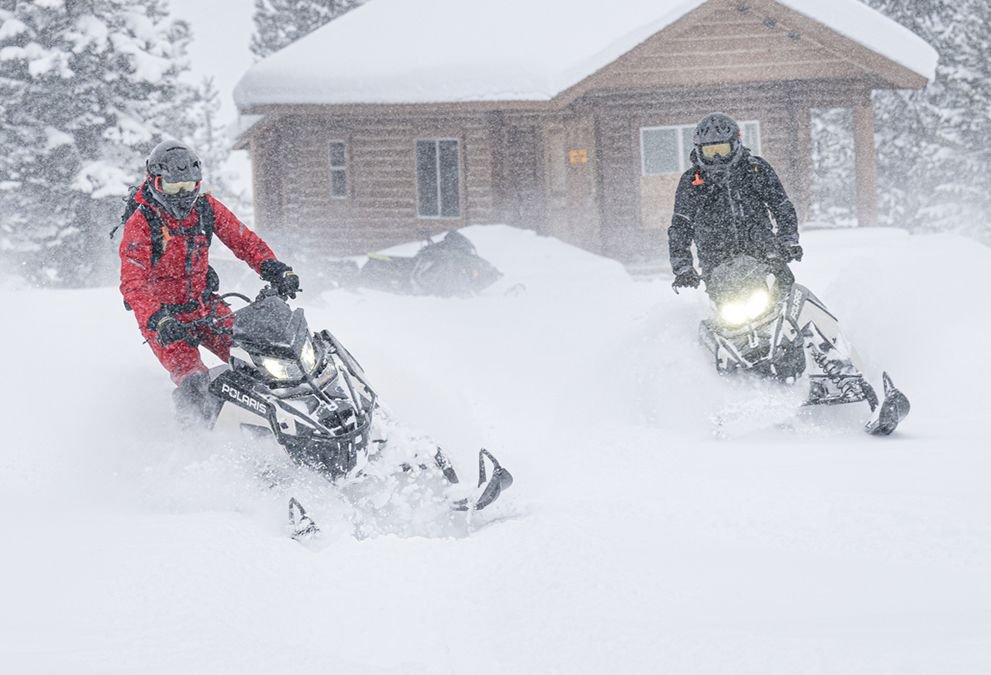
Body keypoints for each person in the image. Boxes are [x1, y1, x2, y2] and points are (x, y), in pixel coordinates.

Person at [119, 140, 300, 425]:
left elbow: (244, 240)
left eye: (189, 187)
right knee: (194, 382)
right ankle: (197, 442)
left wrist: (274, 268)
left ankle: (291, 418)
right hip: (165, 320)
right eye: (172, 188)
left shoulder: (206, 208)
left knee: (259, 356)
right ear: (154, 182)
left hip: (205, 307)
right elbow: (133, 283)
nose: (182, 196)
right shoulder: (142, 223)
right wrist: (158, 319)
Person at [668, 112, 802, 291]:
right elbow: (680, 227)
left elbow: (781, 207)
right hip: (716, 263)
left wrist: (788, 241)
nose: (716, 157)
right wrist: (683, 268)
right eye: (709, 151)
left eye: (721, 150)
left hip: (765, 253)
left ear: (736, 145)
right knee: (721, 311)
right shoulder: (691, 181)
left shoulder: (756, 169)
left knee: (789, 290)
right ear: (699, 151)